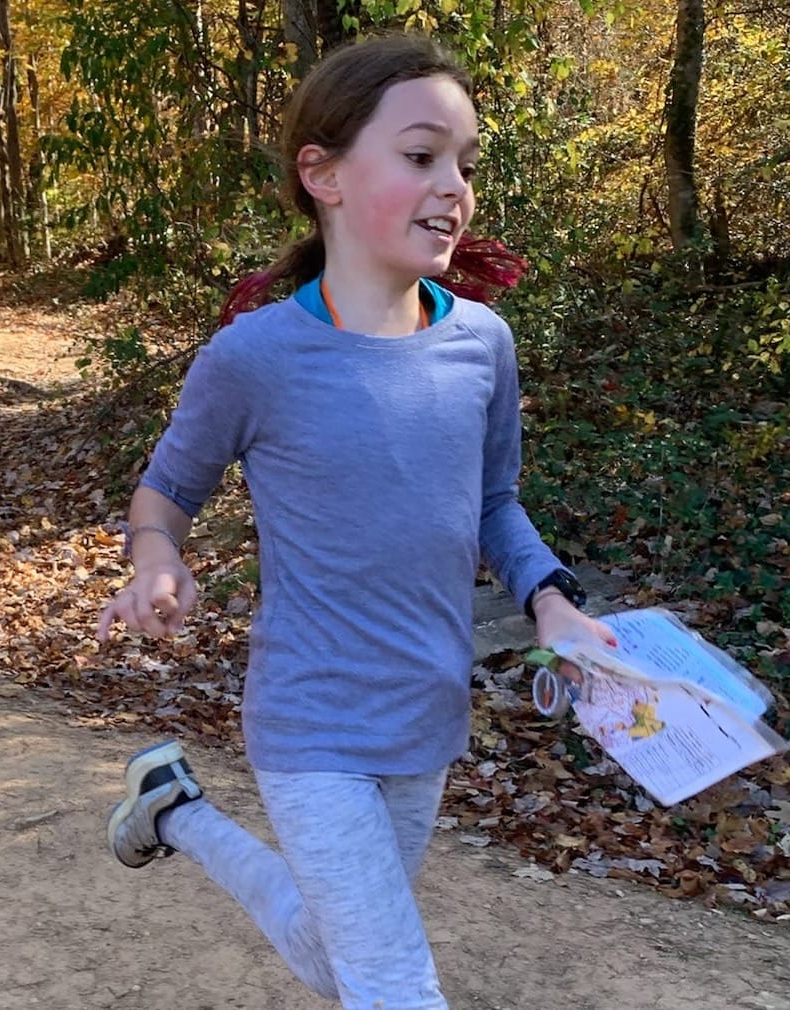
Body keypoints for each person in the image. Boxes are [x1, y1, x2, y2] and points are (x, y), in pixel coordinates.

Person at [96, 33, 616, 1010]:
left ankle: (176, 812)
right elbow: (165, 493)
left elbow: (494, 505)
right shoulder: (254, 357)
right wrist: (157, 559)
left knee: (336, 950)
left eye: (465, 161)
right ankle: (180, 809)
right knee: (392, 981)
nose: (454, 184)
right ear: (323, 173)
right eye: (422, 156)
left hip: (426, 718)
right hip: (310, 722)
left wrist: (551, 600)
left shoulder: (483, 347)